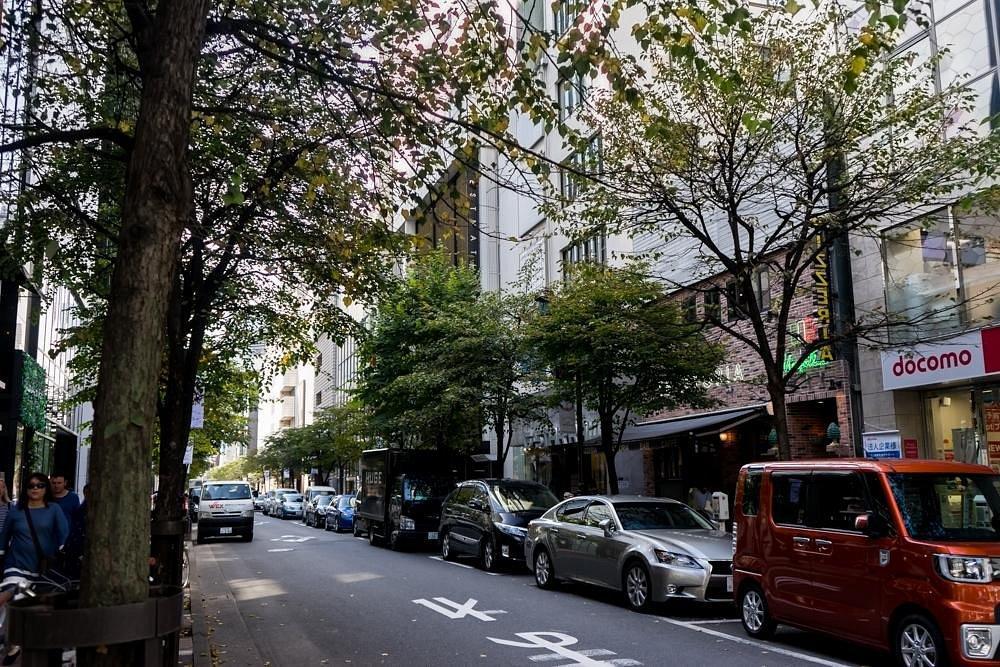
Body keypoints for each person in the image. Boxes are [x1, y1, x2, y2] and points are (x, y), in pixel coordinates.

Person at [0, 473, 69, 665]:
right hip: (15, 563)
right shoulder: (16, 511)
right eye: (31, 485)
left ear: (46, 488)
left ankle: (14, 642)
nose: (35, 489)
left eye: (40, 485)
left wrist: (61, 552)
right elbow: (4, 536)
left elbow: (64, 534)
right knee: (15, 592)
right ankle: (13, 642)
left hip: (41, 568)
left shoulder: (54, 509)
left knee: (24, 601)